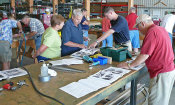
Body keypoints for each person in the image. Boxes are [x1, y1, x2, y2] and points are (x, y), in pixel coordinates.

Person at [117, 14, 175, 105]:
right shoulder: (160, 29)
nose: (138, 30)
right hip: (168, 70)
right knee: (162, 101)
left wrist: (129, 65)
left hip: (161, 72)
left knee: (156, 102)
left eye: (138, 27)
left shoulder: (152, 32)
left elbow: (144, 55)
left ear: (143, 24)